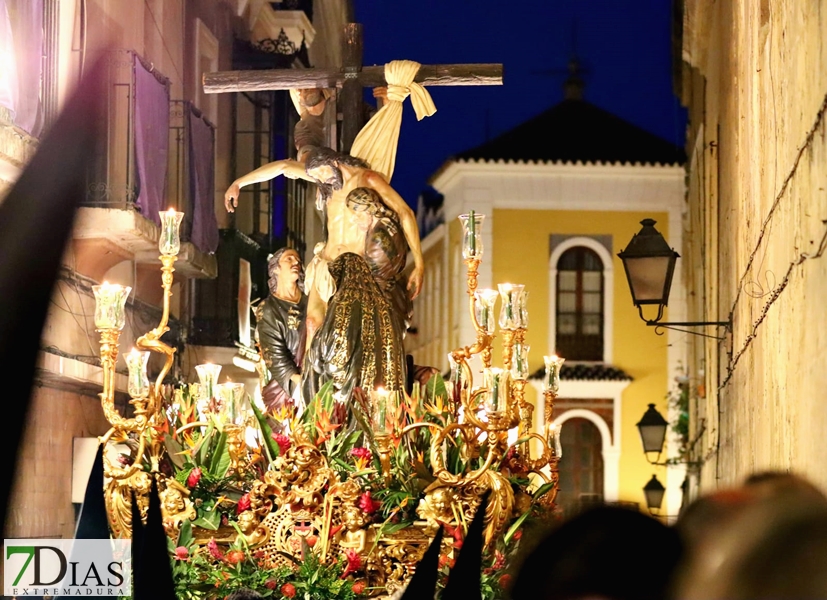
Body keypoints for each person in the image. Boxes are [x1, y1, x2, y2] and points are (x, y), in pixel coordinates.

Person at [225, 146, 424, 420]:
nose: (323, 183)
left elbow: (405, 212)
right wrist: (239, 182)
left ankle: (353, 404)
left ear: (335, 164)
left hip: (354, 271)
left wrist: (420, 263)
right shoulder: (324, 177)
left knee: (349, 338)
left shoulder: (367, 179)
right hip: (325, 265)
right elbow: (283, 166)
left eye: (325, 176)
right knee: (312, 326)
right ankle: (312, 406)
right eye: (317, 177)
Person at [256, 248, 307, 413]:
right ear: (276, 268)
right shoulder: (269, 308)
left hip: (314, 376)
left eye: (298, 260)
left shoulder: (311, 301)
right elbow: (273, 354)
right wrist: (299, 381)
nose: (296, 263)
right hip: (288, 389)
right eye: (289, 259)